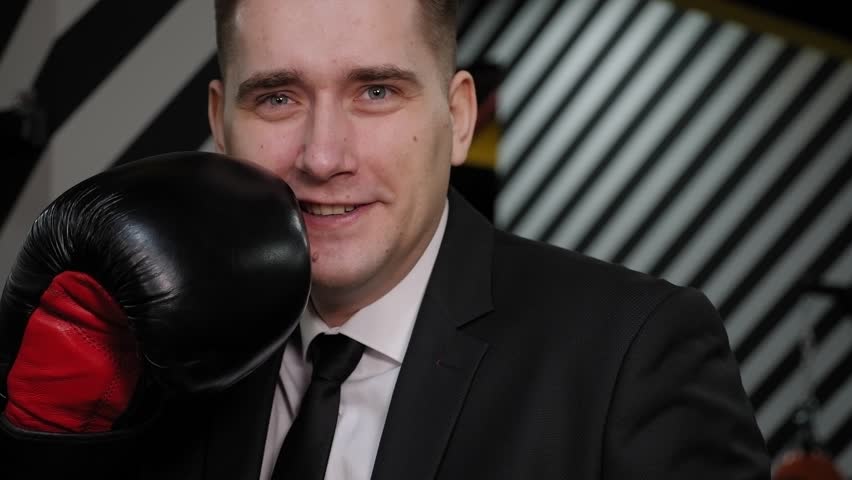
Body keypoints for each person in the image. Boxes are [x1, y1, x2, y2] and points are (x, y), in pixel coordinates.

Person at [0, 0, 771, 478]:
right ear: (219, 121)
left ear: (459, 116)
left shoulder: (630, 356)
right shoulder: (160, 362)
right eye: (276, 96)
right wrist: (41, 442)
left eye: (375, 91)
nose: (324, 156)